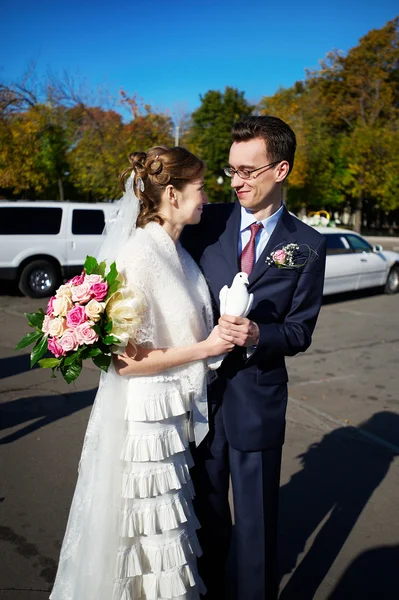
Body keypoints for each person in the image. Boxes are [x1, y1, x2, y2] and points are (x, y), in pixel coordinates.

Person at [50, 146, 234, 600]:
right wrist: (206, 347)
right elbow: (126, 362)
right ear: (172, 193)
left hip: (168, 421)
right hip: (144, 426)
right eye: (200, 187)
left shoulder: (177, 252)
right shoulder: (140, 254)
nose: (207, 196)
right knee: (141, 540)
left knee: (164, 539)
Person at [181, 116, 327, 600]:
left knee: (257, 525)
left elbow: (300, 330)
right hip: (197, 396)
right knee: (203, 517)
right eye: (231, 170)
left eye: (249, 170)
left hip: (257, 400)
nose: (237, 181)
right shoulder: (208, 221)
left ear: (281, 169)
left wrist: (260, 333)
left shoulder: (307, 244)